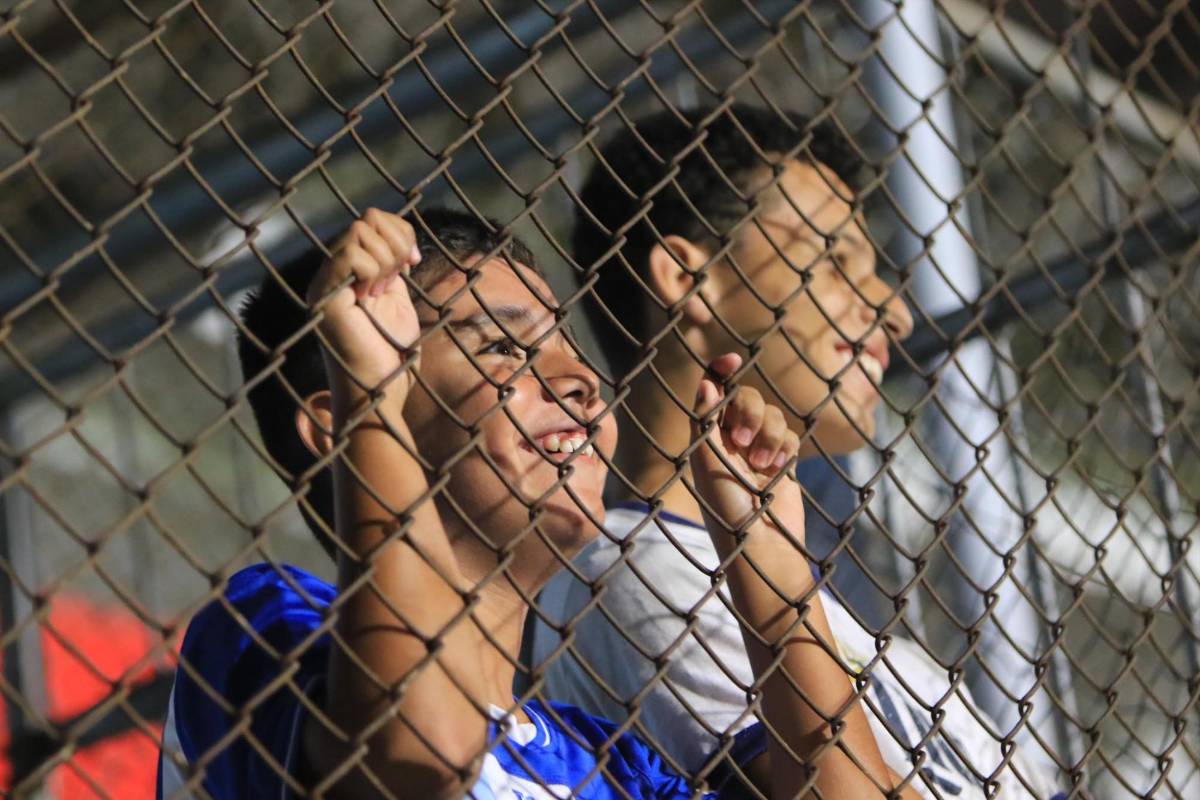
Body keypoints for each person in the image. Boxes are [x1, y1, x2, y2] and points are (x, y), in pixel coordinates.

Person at [155, 207, 911, 798]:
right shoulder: (271, 631)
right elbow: (420, 755)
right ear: (340, 416)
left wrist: (773, 576)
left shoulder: (609, 763)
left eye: (568, 347)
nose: (578, 378)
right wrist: (373, 409)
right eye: (502, 349)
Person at [531, 105, 1065, 799]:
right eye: (836, 260)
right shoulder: (638, 577)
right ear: (689, 279)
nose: (892, 310)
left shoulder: (760, 580)